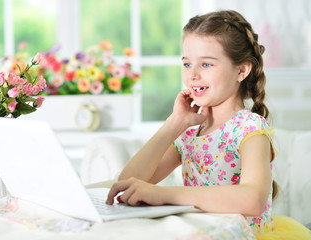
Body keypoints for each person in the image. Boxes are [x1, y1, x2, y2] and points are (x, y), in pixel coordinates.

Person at [106, 10, 311, 239]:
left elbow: (252, 199)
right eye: (186, 64)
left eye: (206, 65)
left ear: (241, 71)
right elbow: (127, 182)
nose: (192, 74)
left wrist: (165, 193)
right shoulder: (190, 131)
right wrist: (174, 124)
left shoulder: (250, 129)